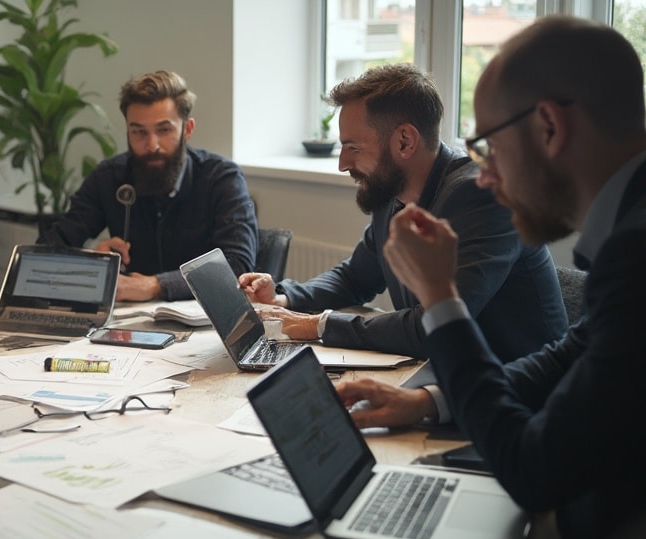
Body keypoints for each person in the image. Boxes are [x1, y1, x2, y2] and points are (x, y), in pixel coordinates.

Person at [379, 16, 646, 539]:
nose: (483, 176)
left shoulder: (637, 252)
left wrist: (440, 298)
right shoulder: (629, 227)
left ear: (548, 127)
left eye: (490, 146)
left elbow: (533, 472)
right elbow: (576, 352)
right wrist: (430, 402)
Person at [238, 63, 567, 427]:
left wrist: (319, 324)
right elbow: (354, 278)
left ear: (405, 142)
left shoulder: (479, 197)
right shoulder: (390, 194)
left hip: (517, 406)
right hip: (440, 379)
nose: (343, 164)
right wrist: (283, 300)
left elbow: (433, 324)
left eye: (352, 147)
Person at [38, 70, 258, 302]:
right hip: (127, 323)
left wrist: (156, 286)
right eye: (139, 132)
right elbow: (45, 252)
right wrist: (91, 261)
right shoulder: (109, 177)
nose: (152, 145)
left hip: (204, 321)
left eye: (164, 130)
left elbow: (237, 265)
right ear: (128, 132)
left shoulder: (221, 178)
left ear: (188, 130)